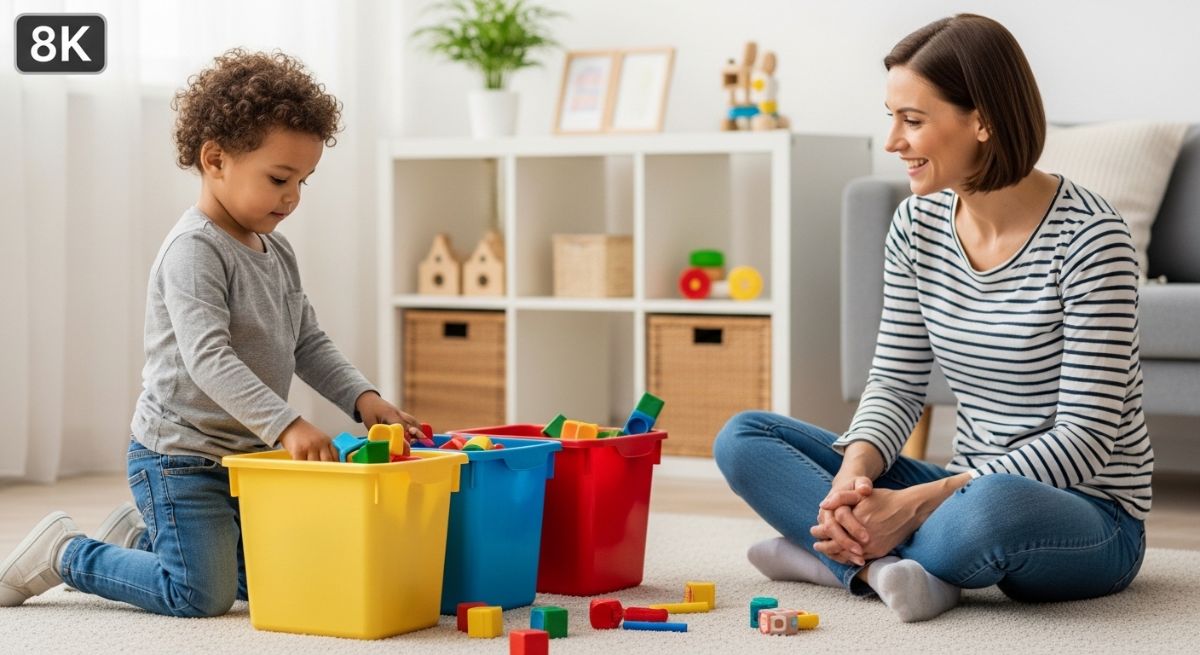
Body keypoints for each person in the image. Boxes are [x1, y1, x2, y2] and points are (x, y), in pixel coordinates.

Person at [713, 14, 1151, 622]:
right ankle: (881, 565)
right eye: (891, 116)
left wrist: (919, 502)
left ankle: (838, 558)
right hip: (957, 483)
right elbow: (895, 381)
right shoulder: (916, 227)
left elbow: (1086, 438)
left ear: (982, 120)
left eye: (912, 120)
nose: (892, 141)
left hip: (1084, 511)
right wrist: (853, 475)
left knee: (987, 513)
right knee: (743, 438)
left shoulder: (1091, 238)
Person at [0, 49, 422, 616]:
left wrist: (362, 396)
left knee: (271, 579)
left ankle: (140, 541)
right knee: (201, 596)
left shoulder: (277, 251)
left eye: (303, 180)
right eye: (279, 178)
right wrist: (288, 424)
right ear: (216, 159)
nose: (293, 196)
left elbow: (306, 341)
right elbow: (209, 359)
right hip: (180, 457)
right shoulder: (193, 250)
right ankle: (68, 552)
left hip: (246, 461)